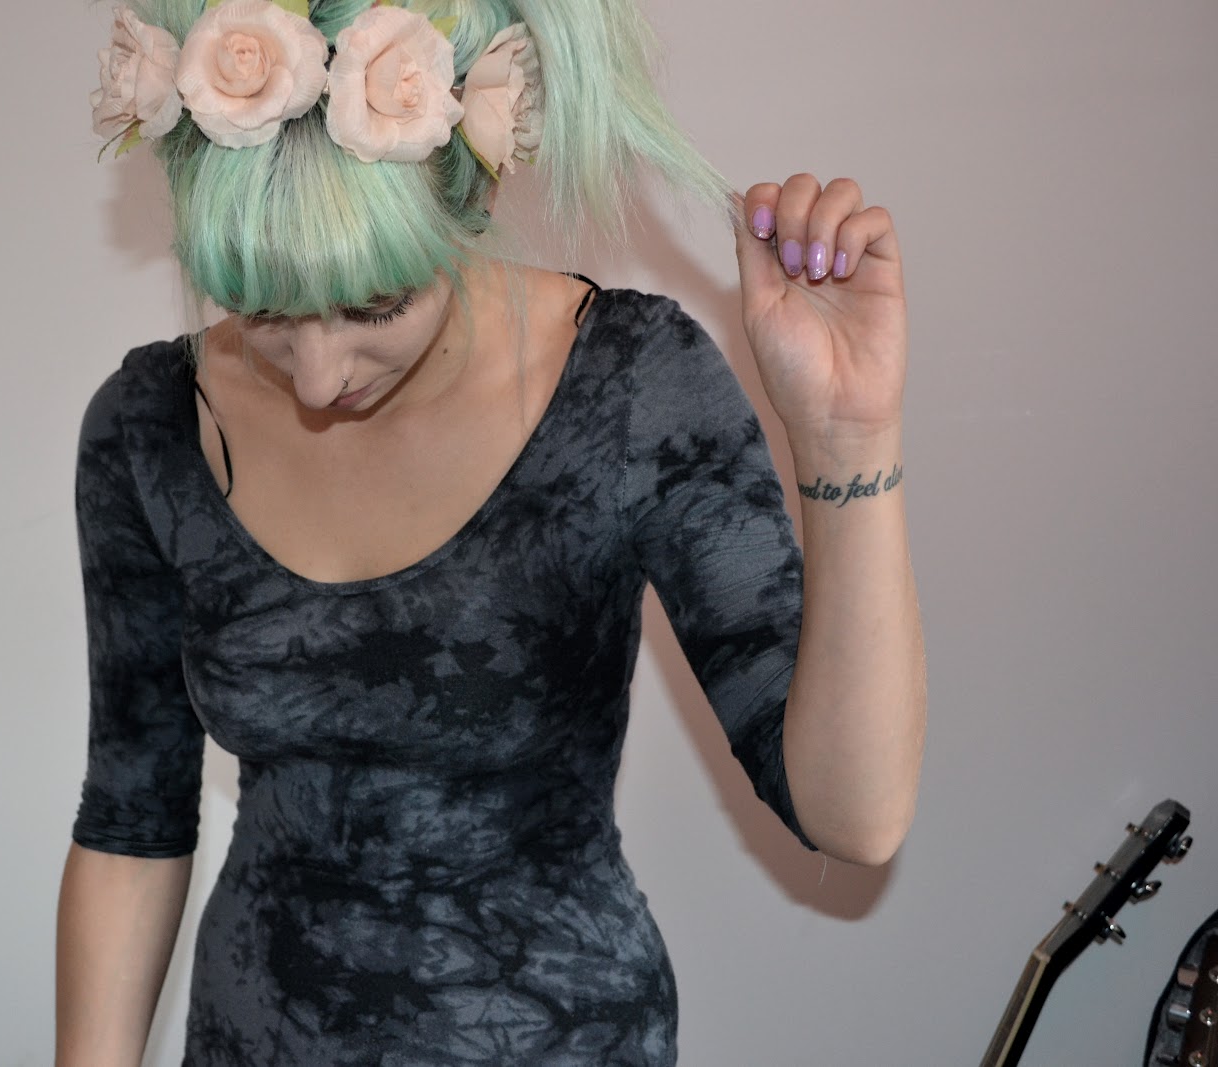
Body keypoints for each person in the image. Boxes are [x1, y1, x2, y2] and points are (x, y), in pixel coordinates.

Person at [56, 0, 927, 1064]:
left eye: (375, 303)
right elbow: (131, 825)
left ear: (470, 203)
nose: (318, 380)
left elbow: (854, 816)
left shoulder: (629, 383)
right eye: (265, 309)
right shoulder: (148, 426)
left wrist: (846, 438)